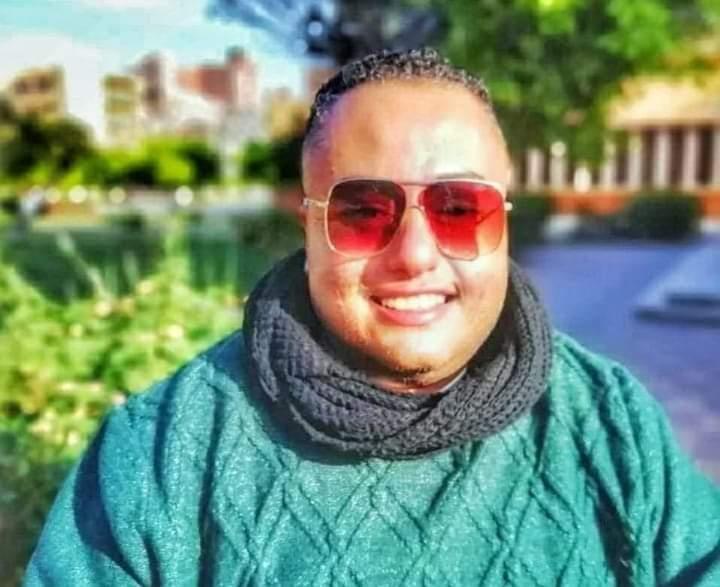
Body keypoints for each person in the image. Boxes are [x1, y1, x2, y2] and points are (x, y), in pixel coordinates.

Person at [25, 48, 720, 586]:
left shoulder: (612, 423)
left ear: (504, 225)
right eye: (363, 211)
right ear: (308, 228)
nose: (414, 255)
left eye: (459, 208)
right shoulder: (164, 450)